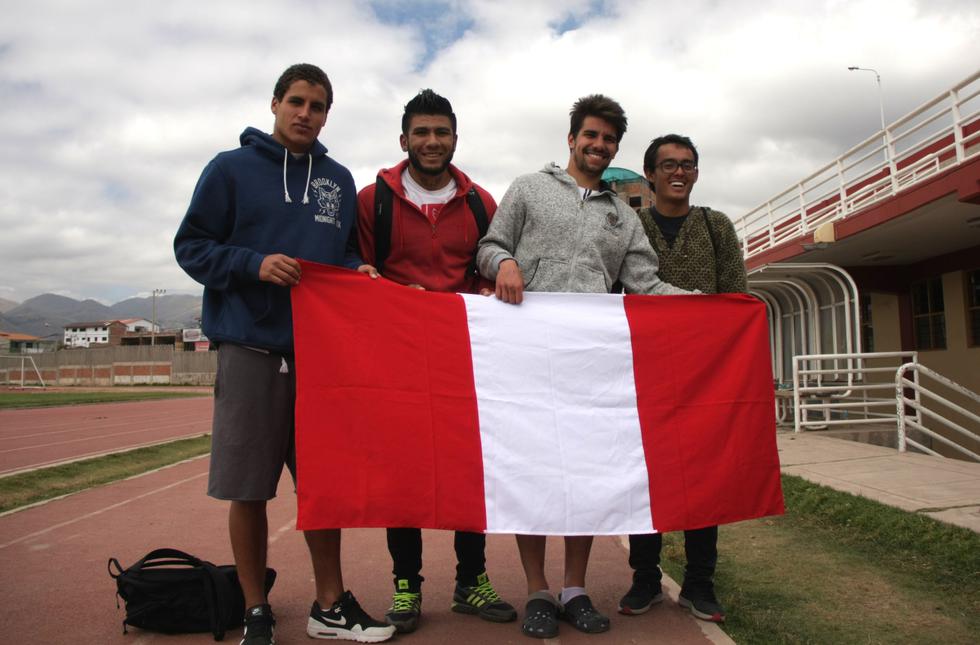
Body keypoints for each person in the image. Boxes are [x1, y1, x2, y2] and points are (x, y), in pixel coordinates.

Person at [174, 63, 395, 645]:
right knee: (249, 488)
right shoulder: (229, 169)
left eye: (317, 106)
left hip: (321, 358)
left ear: (327, 115)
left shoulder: (337, 179)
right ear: (275, 103)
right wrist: (253, 264)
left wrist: (357, 270)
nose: (305, 113)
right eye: (296, 101)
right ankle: (256, 610)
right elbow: (191, 246)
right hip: (250, 348)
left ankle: (330, 606)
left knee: (323, 486)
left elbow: (343, 253)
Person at [475, 95, 690, 640]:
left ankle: (574, 589)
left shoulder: (624, 216)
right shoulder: (528, 188)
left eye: (608, 139)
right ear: (571, 139)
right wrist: (504, 262)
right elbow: (489, 246)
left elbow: (645, 284)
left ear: (616, 148)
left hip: (587, 363)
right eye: (590, 135)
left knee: (582, 475)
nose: (599, 145)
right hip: (524, 353)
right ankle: (538, 591)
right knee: (529, 473)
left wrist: (708, 306)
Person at [354, 89, 517, 634]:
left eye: (440, 132)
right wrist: (375, 284)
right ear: (404, 139)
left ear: (455, 138)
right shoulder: (372, 201)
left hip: (462, 357)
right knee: (403, 472)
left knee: (469, 467)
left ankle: (472, 580)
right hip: (397, 358)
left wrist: (491, 283)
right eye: (421, 132)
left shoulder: (480, 202)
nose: (431, 141)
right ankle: (406, 585)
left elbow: (488, 264)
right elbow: (357, 268)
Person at [618, 134, 748, 624]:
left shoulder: (716, 226)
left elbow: (736, 298)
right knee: (644, 475)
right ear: (649, 174)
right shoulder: (630, 226)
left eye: (688, 165)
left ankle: (699, 583)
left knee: (703, 478)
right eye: (669, 164)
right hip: (644, 369)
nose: (679, 172)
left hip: (705, 373)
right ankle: (645, 578)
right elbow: (612, 290)